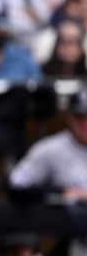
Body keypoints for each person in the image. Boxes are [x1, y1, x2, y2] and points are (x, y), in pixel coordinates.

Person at [8, 89, 87, 242]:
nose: (85, 124)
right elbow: (16, 183)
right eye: (80, 117)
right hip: (69, 239)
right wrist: (59, 194)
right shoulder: (51, 149)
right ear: (70, 117)